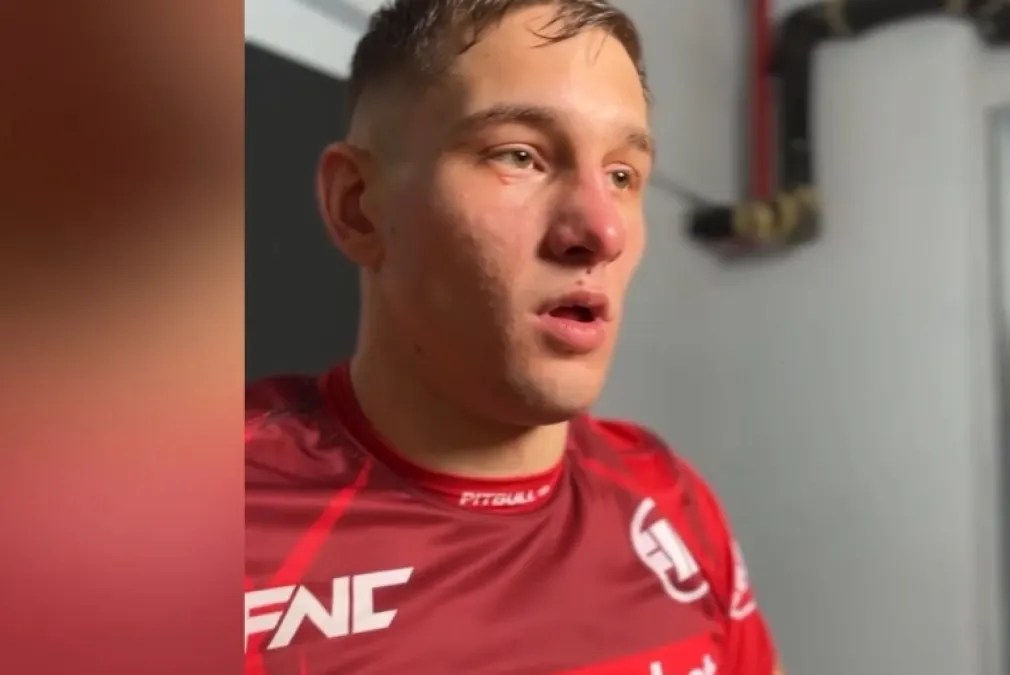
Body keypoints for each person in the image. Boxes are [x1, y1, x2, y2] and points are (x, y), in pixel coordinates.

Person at [245, 1, 783, 673]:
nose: (603, 231)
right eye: (519, 156)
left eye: (622, 175)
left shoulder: (670, 497)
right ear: (358, 206)